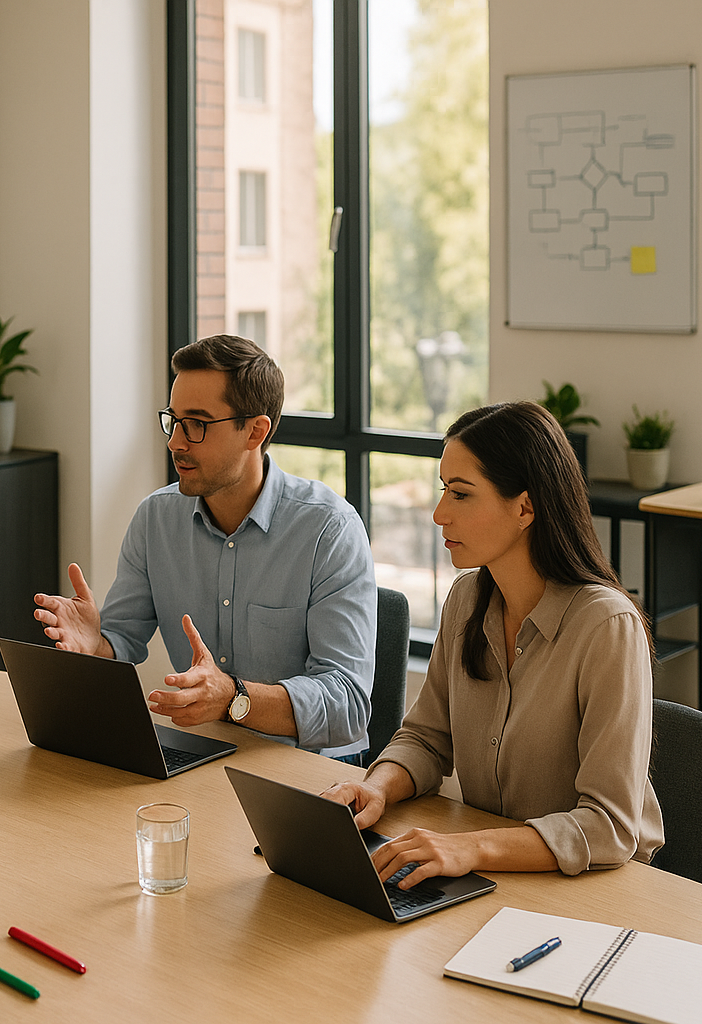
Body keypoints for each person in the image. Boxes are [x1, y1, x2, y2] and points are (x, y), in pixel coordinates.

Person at [322, 401, 664, 890]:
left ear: (524, 507)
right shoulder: (467, 600)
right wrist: (373, 787)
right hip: (499, 874)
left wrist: (470, 846)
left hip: (596, 889)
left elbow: (608, 825)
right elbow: (426, 738)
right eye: (444, 490)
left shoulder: (606, 626)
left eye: (461, 495)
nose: (439, 514)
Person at [33, 334, 376, 761]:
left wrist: (233, 697)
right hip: (206, 753)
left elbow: (347, 704)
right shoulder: (156, 518)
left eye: (196, 424)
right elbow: (122, 640)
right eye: (172, 420)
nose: (176, 442)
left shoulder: (330, 530)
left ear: (255, 431)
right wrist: (94, 646)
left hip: (313, 770)